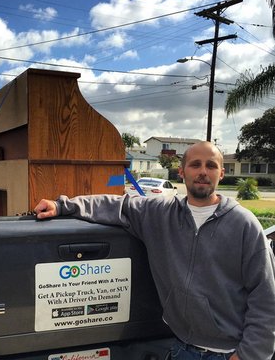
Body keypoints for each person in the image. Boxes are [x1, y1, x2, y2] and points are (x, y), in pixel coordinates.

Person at [34, 141, 275, 360]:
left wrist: (249, 355)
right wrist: (61, 205)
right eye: (195, 165)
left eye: (211, 165)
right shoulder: (160, 213)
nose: (203, 171)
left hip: (229, 353)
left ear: (221, 173)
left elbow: (266, 298)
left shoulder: (244, 224)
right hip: (181, 347)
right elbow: (117, 205)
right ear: (181, 172)